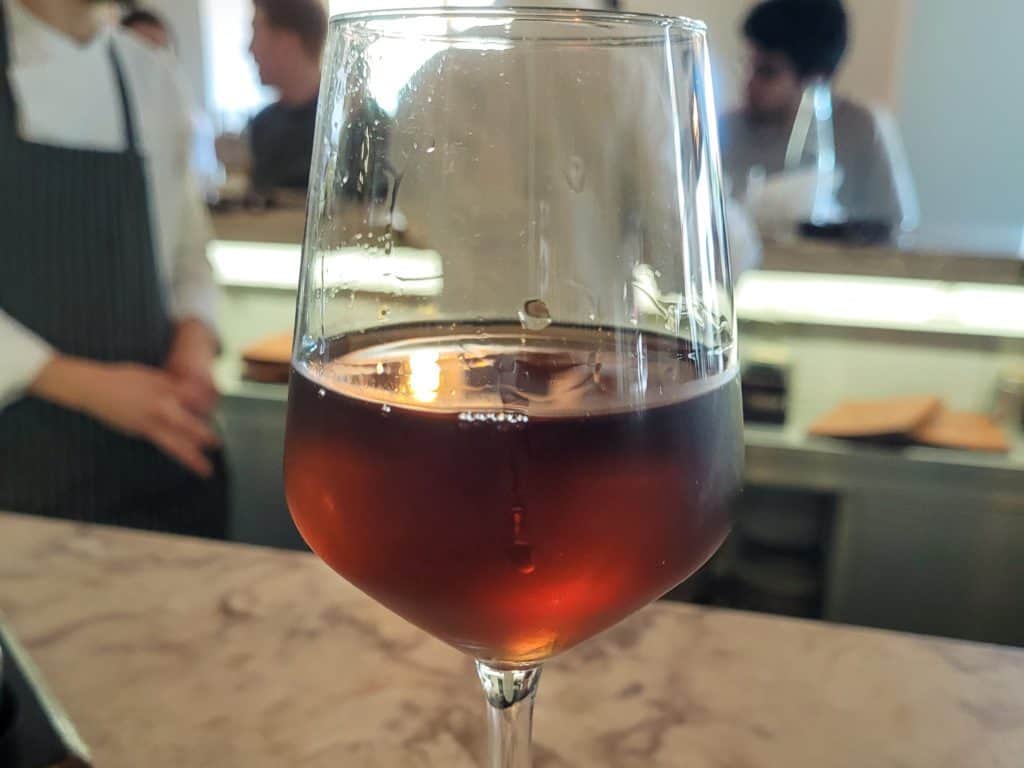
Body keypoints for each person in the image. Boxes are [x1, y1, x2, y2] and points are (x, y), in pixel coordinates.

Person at [0, 0, 227, 537]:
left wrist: (193, 340)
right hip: (19, 483)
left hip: (159, 458)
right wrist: (87, 386)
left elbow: (189, 254)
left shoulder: (151, 75)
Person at [720, 0, 917, 237]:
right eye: (747, 65)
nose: (749, 82)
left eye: (767, 71)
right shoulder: (723, 131)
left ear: (817, 77)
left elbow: (894, 232)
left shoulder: (860, 130)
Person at [247, 0, 327, 196]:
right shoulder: (262, 125)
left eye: (256, 32)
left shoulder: (354, 123)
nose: (250, 49)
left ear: (287, 41)